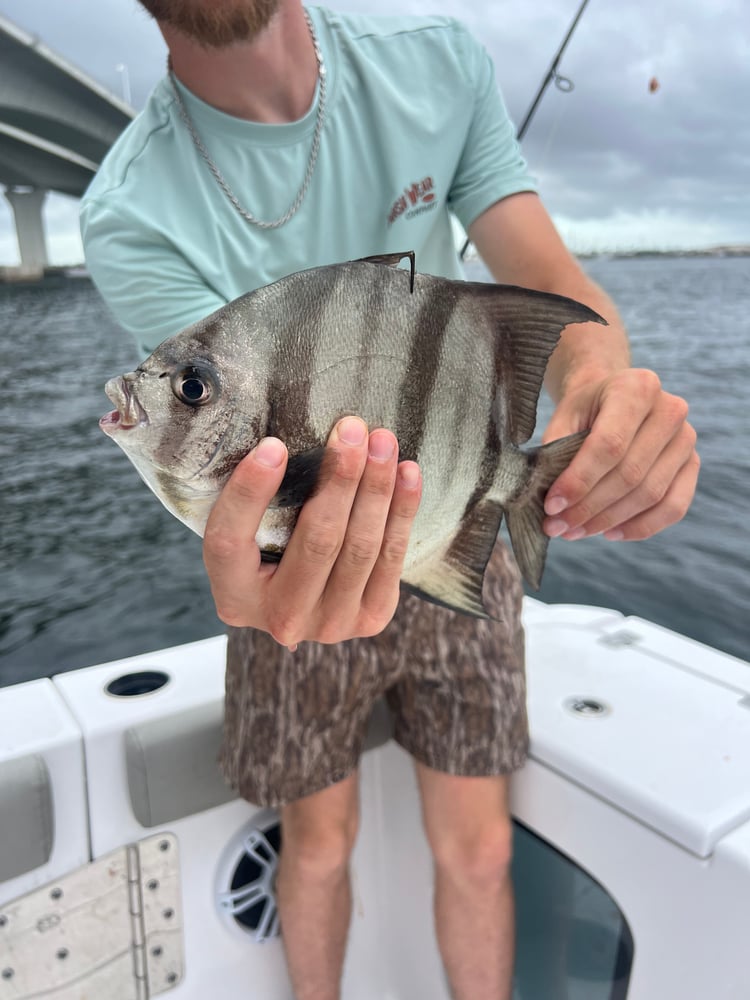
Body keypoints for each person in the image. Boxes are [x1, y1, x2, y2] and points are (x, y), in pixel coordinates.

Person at [80, 3, 699, 998]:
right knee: (316, 844)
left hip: (464, 529)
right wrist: (249, 577)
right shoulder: (125, 209)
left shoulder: (438, 66)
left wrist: (599, 387)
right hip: (294, 557)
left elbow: (543, 280)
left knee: (479, 849)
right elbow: (211, 435)